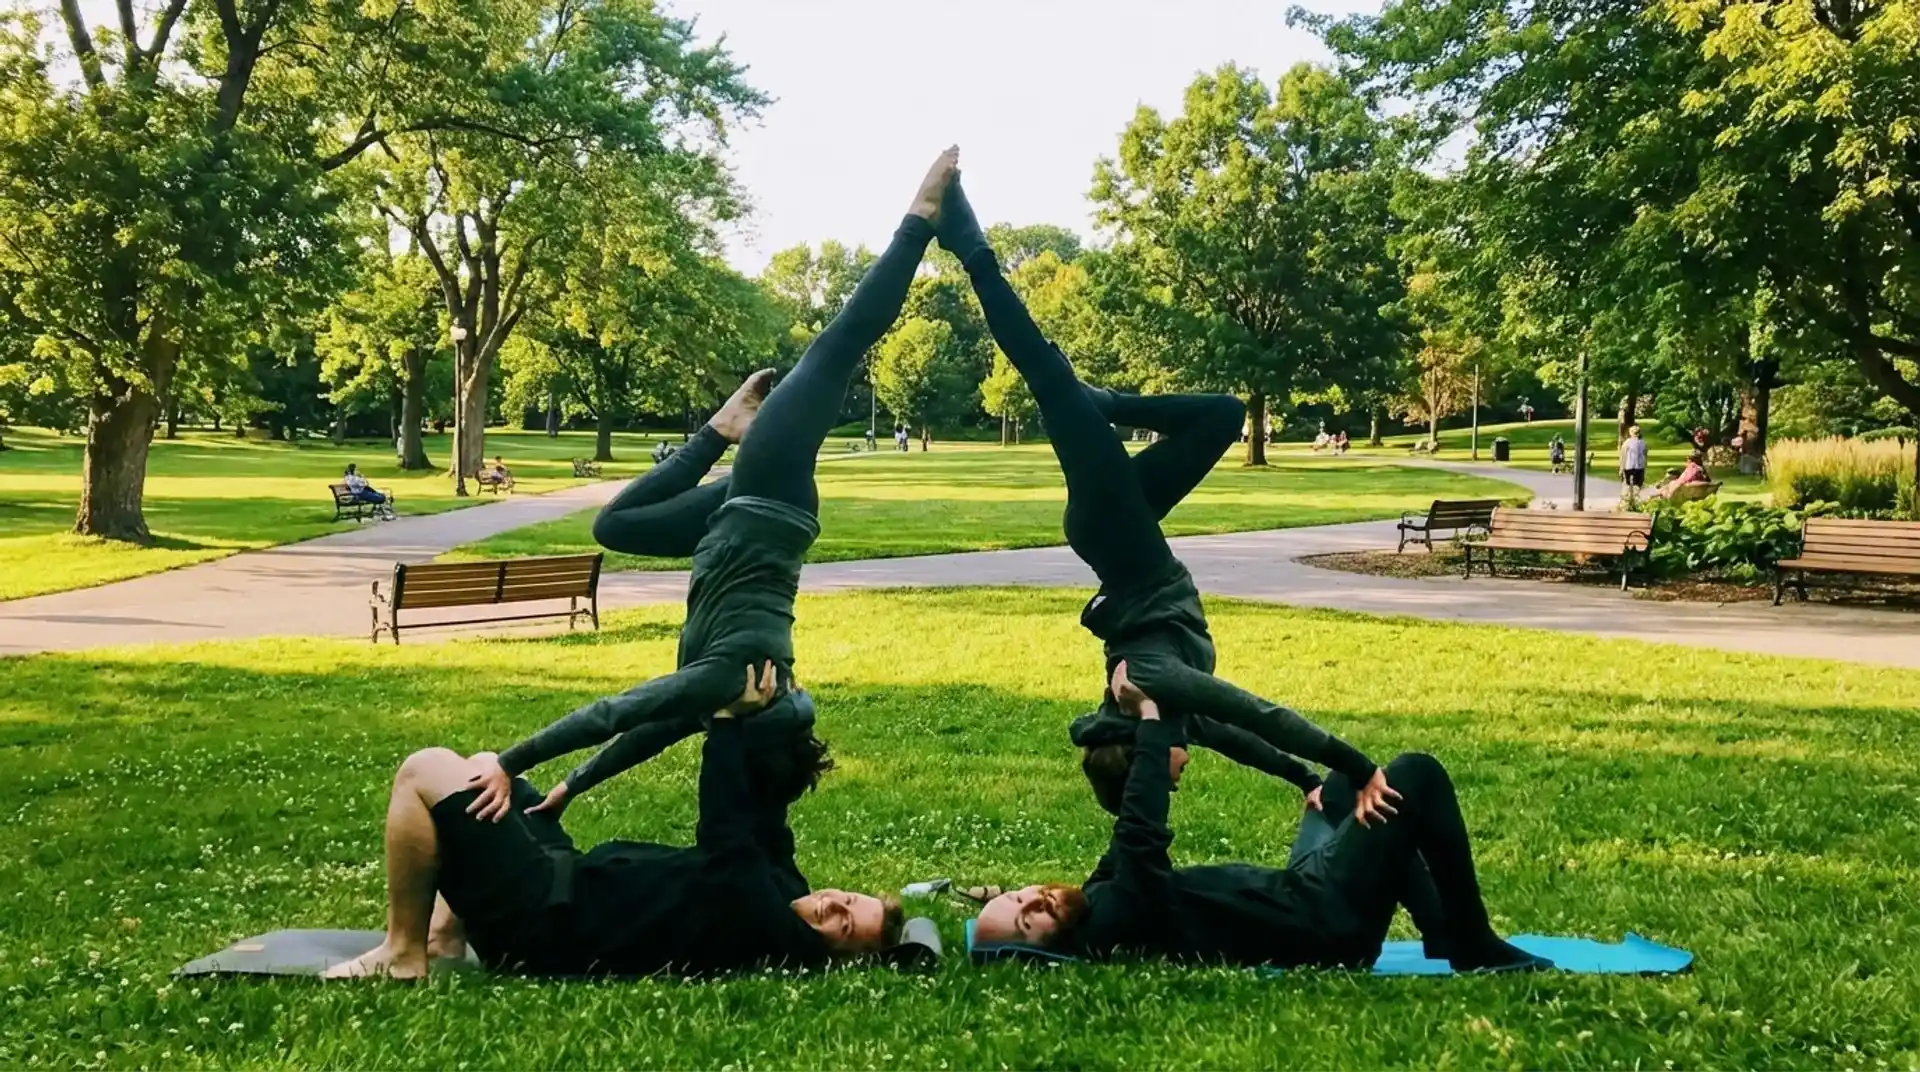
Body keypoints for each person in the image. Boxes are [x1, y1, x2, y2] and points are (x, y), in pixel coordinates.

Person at [460, 147, 961, 830]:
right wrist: (510, 761)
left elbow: (648, 725)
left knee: (615, 526)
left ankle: (721, 429)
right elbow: (618, 709)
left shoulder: (725, 698)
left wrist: (574, 783)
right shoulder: (736, 679)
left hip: (728, 522)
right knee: (835, 349)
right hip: (769, 500)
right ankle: (919, 221)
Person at [932, 175, 1390, 821]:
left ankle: (965, 241)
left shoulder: (1148, 682)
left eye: (1166, 783)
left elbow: (1254, 711)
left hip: (1119, 536)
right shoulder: (1162, 710)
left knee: (1045, 373)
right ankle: (1106, 403)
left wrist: (1360, 768)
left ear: (1141, 758)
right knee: (1222, 415)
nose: (1179, 777)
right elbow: (1235, 734)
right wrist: (1305, 779)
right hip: (1126, 540)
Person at [324, 663, 903, 979]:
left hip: (541, 922)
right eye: (849, 900)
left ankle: (404, 952)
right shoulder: (787, 890)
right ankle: (444, 938)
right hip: (563, 875)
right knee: (485, 768)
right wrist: (778, 717)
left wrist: (727, 723)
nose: (833, 906)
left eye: (844, 926)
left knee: (425, 770)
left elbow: (727, 830)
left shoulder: (772, 930)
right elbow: (768, 816)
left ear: (839, 956)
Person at [972, 663, 1549, 973]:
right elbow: (1139, 830)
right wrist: (1147, 718)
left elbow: (1127, 821)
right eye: (1026, 922)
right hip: (1326, 921)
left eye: (1020, 896)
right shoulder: (1113, 924)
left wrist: (1302, 778)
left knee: (1345, 788)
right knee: (1415, 775)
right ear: (1044, 952)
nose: (1033, 902)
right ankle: (1470, 941)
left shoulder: (1100, 900)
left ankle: (1442, 932)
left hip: (1302, 890)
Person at [1647, 450, 1712, 500]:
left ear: (1690, 459)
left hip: (1680, 491)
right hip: (1692, 491)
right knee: (1671, 483)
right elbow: (1708, 481)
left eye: (1688, 458)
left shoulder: (1692, 467)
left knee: (1670, 484)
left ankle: (1655, 494)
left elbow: (1684, 480)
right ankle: (1657, 493)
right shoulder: (1700, 469)